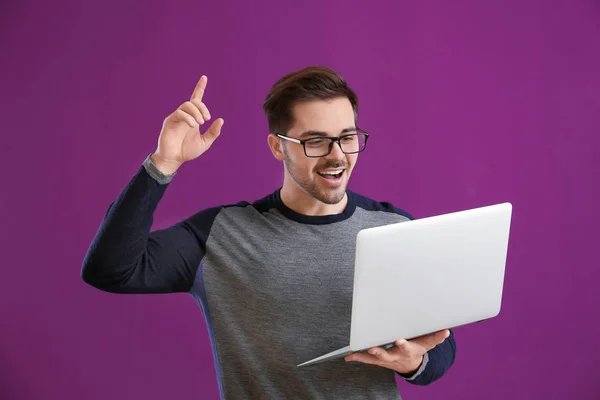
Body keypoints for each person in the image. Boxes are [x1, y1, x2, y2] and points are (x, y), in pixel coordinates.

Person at [81, 66, 456, 399]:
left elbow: (440, 345)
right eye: (315, 141)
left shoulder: (393, 228)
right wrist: (163, 164)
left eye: (347, 136)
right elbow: (110, 269)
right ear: (278, 147)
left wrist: (414, 361)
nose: (337, 155)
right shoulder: (220, 234)